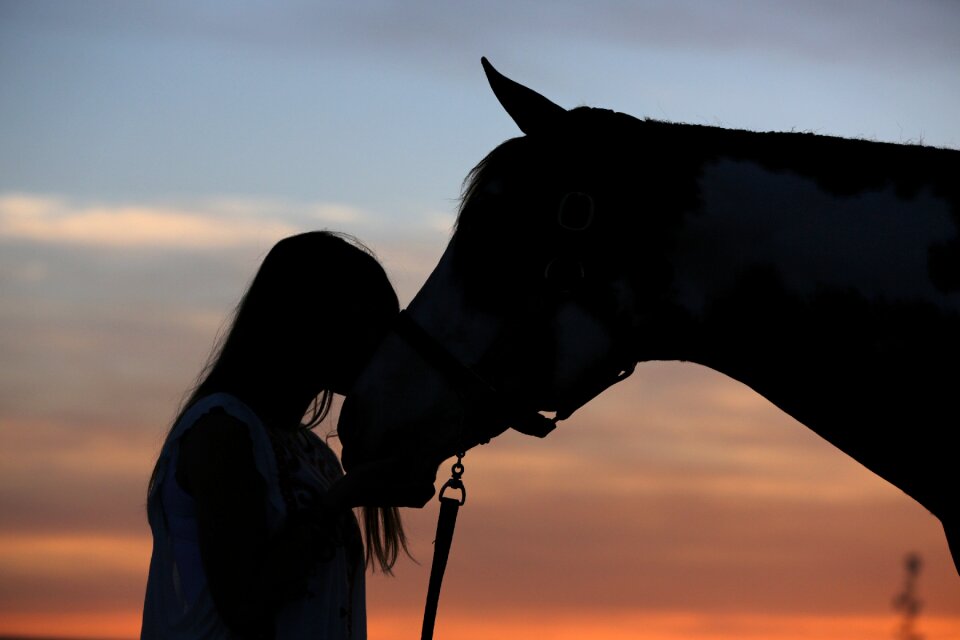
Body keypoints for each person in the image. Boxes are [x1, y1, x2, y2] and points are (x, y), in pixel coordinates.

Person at [141, 231, 434, 639]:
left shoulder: (314, 455)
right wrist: (344, 498)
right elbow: (244, 603)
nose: (385, 345)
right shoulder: (222, 431)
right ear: (316, 320)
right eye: (372, 322)